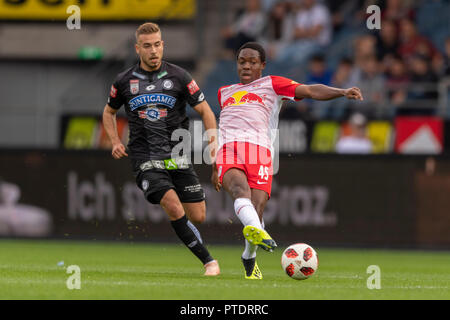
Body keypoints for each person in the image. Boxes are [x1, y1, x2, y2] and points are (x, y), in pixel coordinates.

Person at [212, 42, 363, 279]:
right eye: (242, 61)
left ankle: (248, 256)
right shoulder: (224, 92)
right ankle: (263, 235)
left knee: (257, 208)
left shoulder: (272, 84)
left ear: (262, 65)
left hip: (260, 151)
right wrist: (215, 166)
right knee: (241, 191)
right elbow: (222, 129)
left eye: (252, 62)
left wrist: (341, 92)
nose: (246, 66)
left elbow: (311, 91)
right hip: (229, 150)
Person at [102, 22, 220, 276]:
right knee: (173, 205)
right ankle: (209, 262)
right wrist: (114, 141)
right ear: (138, 49)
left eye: (157, 45)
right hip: (145, 157)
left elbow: (206, 111)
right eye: (147, 46)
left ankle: (192, 239)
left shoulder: (180, 76)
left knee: (198, 215)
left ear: (163, 45)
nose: (153, 51)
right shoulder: (124, 80)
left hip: (178, 154)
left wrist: (214, 146)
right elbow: (109, 112)